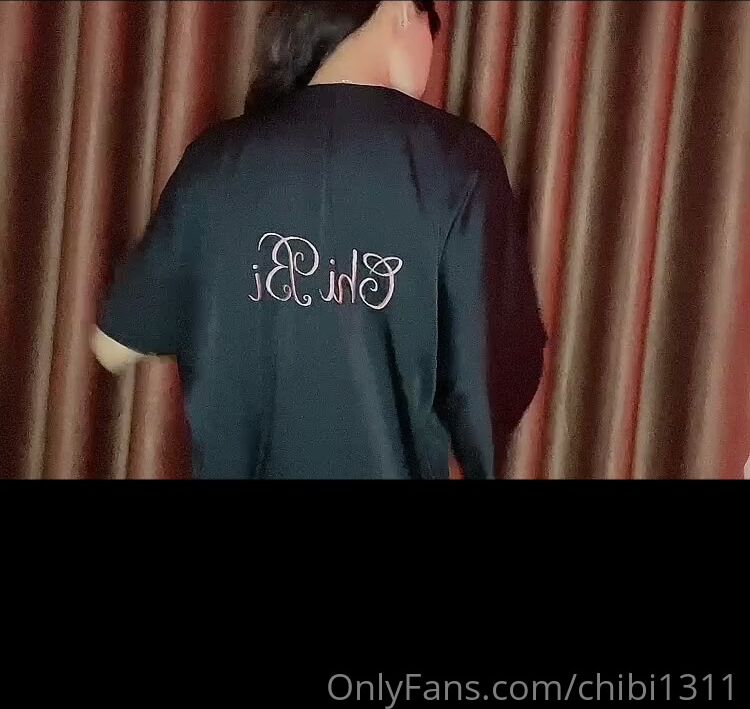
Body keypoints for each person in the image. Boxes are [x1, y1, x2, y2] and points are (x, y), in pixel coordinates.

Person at [92, 0, 546, 479]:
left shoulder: (215, 162)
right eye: (431, 31)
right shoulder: (460, 165)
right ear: (402, 12)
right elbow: (495, 377)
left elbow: (113, 345)